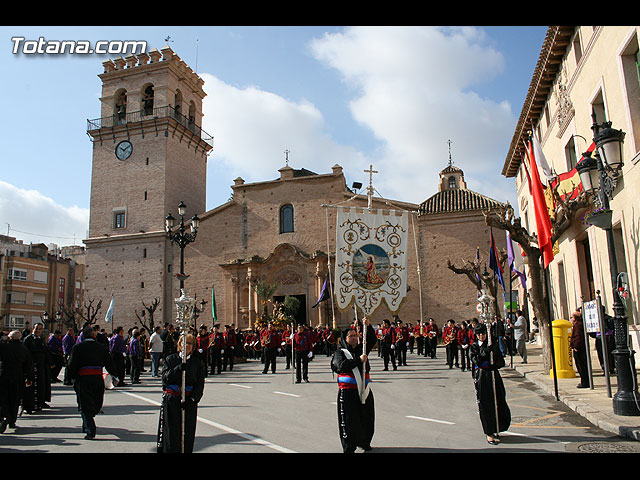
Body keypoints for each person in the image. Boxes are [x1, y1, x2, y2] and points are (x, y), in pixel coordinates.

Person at [331, 317, 377, 453]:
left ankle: (364, 441)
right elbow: (340, 366)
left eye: (355, 335)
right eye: (350, 336)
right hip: (348, 392)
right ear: (345, 339)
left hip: (364, 389)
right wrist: (358, 360)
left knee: (367, 416)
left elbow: (372, 341)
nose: (353, 338)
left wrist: (368, 326)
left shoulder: (361, 349)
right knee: (349, 419)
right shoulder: (340, 353)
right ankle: (349, 446)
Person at [66, 326, 119, 439]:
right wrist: (115, 376)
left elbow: (71, 364)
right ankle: (89, 428)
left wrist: (69, 378)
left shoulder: (78, 347)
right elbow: (109, 363)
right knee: (94, 402)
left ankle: (87, 424)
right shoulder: (101, 348)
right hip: (97, 379)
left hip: (83, 379)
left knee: (85, 404)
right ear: (94, 336)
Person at [156, 333, 206, 453]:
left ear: (193, 347)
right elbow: (165, 379)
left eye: (190, 344)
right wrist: (180, 367)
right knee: (172, 432)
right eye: (185, 343)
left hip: (189, 401)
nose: (187, 346)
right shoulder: (170, 359)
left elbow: (199, 384)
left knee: (187, 433)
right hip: (172, 400)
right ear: (180, 344)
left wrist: (193, 399)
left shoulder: (197, 363)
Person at [470, 323, 511, 445]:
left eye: (483, 334)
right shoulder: (474, 346)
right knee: (485, 404)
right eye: (479, 334)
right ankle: (489, 433)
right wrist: (485, 352)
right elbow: (475, 360)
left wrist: (495, 363)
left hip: (493, 375)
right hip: (482, 376)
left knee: (498, 401)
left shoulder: (493, 345)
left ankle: (498, 427)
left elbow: (501, 362)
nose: (481, 336)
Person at [0, 331, 34, 432]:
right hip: (18, 376)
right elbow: (29, 365)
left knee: (3, 398)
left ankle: (4, 416)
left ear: (10, 338)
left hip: (3, 374)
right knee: (15, 398)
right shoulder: (24, 349)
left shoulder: (3, 347)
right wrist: (30, 378)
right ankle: (12, 420)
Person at [22, 323, 52, 413]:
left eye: (40, 329)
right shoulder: (28, 339)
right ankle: (29, 405)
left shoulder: (41, 340)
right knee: (31, 387)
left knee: (41, 385)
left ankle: (40, 403)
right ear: (33, 329)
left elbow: (45, 352)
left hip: (41, 367)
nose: (38, 330)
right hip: (31, 367)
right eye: (36, 328)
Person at [570, 311, 590, 388]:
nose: (571, 319)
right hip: (580, 347)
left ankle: (585, 382)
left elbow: (578, 337)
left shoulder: (578, 325)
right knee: (582, 366)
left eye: (572, 317)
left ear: (575, 318)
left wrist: (576, 346)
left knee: (581, 366)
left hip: (579, 349)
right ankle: (584, 381)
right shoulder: (579, 324)